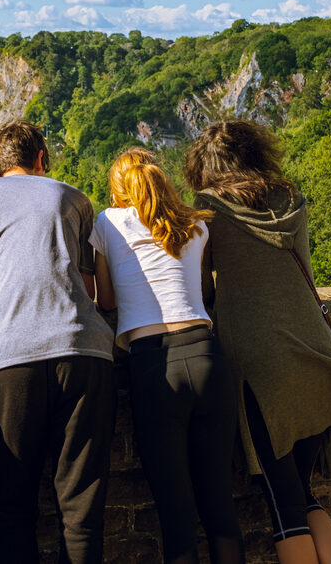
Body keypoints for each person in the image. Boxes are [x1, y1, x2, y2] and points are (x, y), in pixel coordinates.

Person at [183, 121, 331, 564]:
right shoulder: (290, 197)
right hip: (315, 351)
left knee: (285, 509)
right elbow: (308, 277)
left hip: (262, 366)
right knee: (307, 496)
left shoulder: (208, 207)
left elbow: (200, 289)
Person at [0, 120, 116, 564]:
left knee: (15, 500)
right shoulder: (73, 196)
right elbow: (86, 288)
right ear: (42, 161)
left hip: (10, 354)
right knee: (81, 505)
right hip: (84, 351)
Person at [91, 148, 244, 563]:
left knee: (177, 518)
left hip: (153, 363)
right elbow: (202, 291)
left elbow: (104, 300)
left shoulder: (108, 222)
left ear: (120, 188)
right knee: (220, 509)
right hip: (207, 353)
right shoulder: (195, 223)